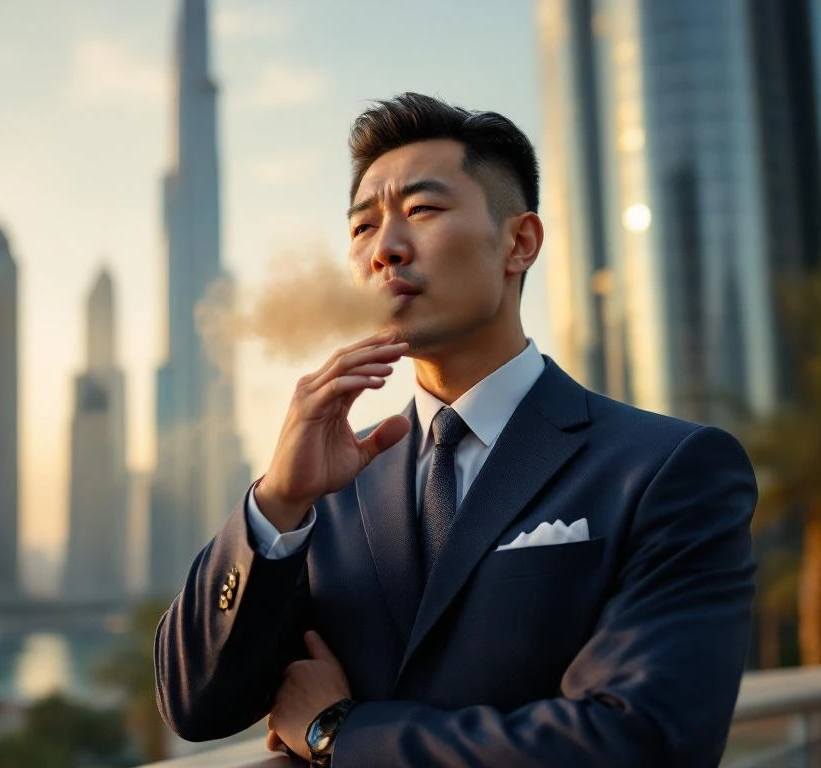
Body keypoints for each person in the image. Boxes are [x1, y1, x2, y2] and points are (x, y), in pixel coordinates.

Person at [154, 92, 757, 767]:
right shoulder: (331, 483)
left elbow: (643, 742)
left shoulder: (667, 468)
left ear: (519, 243)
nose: (385, 249)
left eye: (422, 210)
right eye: (361, 228)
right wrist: (275, 503)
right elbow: (196, 703)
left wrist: (341, 733)